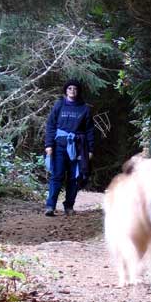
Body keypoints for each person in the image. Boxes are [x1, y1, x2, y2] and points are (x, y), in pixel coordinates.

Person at [44, 79, 94, 216]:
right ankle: (50, 206)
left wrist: (90, 150)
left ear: (78, 91)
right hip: (59, 146)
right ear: (66, 90)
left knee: (74, 177)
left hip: (78, 147)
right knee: (57, 175)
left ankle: (69, 206)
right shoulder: (59, 105)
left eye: (75, 89)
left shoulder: (84, 109)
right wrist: (48, 145)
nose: (72, 91)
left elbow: (90, 130)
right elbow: (50, 125)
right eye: (70, 88)